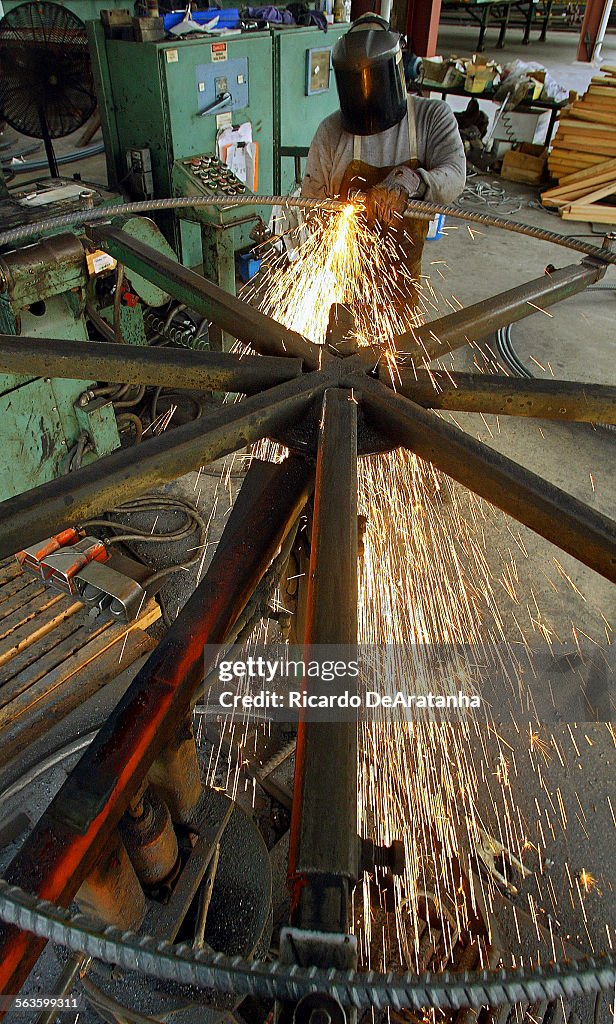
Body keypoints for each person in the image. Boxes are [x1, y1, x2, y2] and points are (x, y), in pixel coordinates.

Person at [301, 13, 466, 305]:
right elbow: (311, 206)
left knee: (400, 349)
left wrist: (408, 182)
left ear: (394, 72)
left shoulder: (432, 117)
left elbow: (455, 175)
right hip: (345, 282)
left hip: (402, 280)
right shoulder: (330, 132)